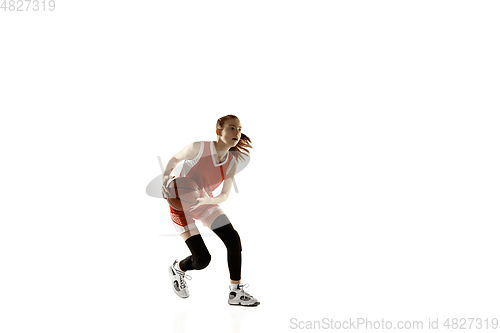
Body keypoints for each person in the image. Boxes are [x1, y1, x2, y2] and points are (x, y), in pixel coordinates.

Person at [162, 115, 260, 306]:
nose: (237, 132)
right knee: (202, 260)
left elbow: (224, 194)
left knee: (233, 239)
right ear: (218, 131)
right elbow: (175, 158)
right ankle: (178, 268)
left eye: (239, 129)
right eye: (232, 128)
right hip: (181, 206)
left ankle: (235, 292)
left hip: (204, 201)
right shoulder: (199, 148)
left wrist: (209, 199)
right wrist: (166, 178)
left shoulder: (232, 161)